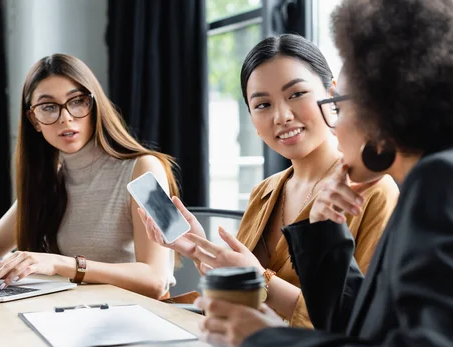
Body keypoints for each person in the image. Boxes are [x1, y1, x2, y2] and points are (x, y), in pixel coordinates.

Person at [195, 0, 453, 347]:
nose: (335, 123)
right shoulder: (440, 177)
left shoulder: (441, 180)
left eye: (338, 104)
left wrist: (265, 340)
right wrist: (325, 233)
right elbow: (362, 335)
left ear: (385, 107)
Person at [140, 34, 399, 326]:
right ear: (252, 119)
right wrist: (200, 250)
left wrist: (260, 280)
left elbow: (362, 323)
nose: (282, 116)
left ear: (332, 94)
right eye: (263, 105)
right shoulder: (266, 191)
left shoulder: (374, 191)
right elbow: (244, 297)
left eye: (297, 94)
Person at [0, 54, 178, 299]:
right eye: (48, 107)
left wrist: (60, 264)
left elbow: (157, 280)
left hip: (139, 316)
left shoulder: (147, 168)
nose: (65, 117)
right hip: (72, 312)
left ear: (95, 105)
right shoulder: (50, 180)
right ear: (34, 120)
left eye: (77, 101)